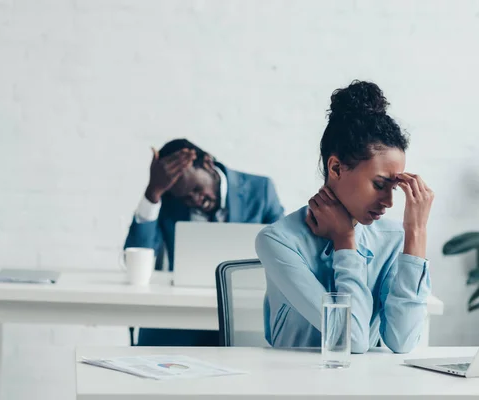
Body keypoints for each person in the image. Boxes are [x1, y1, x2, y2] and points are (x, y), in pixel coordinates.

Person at [255, 80, 434, 354]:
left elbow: (403, 341)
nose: (388, 202)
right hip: (292, 385)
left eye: (393, 188)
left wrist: (416, 233)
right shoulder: (278, 240)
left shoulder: (393, 238)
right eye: (378, 184)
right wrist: (345, 241)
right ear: (336, 167)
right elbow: (352, 340)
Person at [125, 138, 285, 346]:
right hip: (184, 317)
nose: (196, 200)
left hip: (244, 314)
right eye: (187, 199)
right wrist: (153, 194)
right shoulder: (169, 198)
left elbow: (283, 249)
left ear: (208, 164)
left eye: (197, 188)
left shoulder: (260, 190)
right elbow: (136, 256)